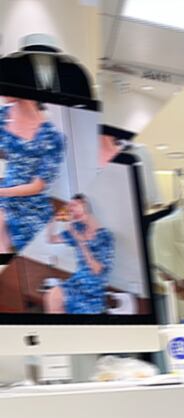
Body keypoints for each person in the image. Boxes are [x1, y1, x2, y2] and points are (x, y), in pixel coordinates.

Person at [0, 97, 65, 254]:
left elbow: (38, 186)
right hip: (6, 193)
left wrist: (2, 192)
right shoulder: (3, 115)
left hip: (30, 207)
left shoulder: (52, 138)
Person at [44, 194, 114, 314]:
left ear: (85, 205)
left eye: (75, 205)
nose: (72, 209)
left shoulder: (105, 236)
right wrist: (53, 219)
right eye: (70, 207)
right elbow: (50, 239)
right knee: (51, 296)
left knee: (76, 307)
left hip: (93, 289)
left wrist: (81, 241)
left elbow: (97, 270)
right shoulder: (77, 229)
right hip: (77, 281)